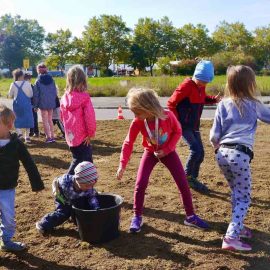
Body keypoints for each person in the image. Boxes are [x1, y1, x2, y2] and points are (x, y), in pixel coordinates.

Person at [116, 88, 209, 233]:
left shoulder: (167, 116)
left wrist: (167, 149)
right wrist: (122, 165)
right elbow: (128, 142)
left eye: (137, 112)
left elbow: (178, 131)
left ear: (148, 108)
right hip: (150, 152)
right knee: (140, 184)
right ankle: (137, 216)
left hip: (168, 153)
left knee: (183, 183)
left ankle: (190, 216)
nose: (135, 115)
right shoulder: (138, 122)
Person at [210, 65, 270, 251]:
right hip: (240, 154)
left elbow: (214, 135)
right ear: (250, 83)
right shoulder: (254, 103)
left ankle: (239, 227)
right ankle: (230, 238)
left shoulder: (222, 104)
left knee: (236, 191)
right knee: (244, 198)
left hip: (222, 154)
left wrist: (218, 147)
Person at [167, 60, 220, 193]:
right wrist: (176, 122)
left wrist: (213, 99)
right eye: (202, 81)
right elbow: (171, 104)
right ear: (196, 75)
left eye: (206, 82)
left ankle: (193, 178)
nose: (204, 84)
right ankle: (187, 177)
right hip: (184, 126)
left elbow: (201, 98)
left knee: (201, 153)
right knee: (195, 150)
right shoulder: (186, 86)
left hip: (194, 125)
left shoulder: (200, 86)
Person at [0, 105, 44, 252]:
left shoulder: (16, 144)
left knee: (9, 218)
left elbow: (29, 163)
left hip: (7, 188)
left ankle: (6, 240)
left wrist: (36, 184)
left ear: (9, 125)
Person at [36, 161, 99, 234]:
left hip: (75, 197)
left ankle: (76, 219)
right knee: (63, 213)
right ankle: (43, 224)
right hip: (62, 197)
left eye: (92, 185)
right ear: (78, 180)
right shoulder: (66, 183)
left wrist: (96, 207)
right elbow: (56, 181)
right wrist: (55, 191)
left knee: (86, 202)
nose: (89, 188)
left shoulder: (88, 187)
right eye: (87, 185)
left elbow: (91, 197)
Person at [60, 65, 96, 175]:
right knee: (85, 163)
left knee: (78, 159)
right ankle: (64, 183)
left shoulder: (64, 98)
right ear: (83, 81)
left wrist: (68, 132)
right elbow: (89, 117)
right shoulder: (84, 97)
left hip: (71, 136)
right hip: (83, 137)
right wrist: (90, 133)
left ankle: (86, 188)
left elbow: (62, 117)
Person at [33, 63, 57, 143]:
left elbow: (36, 95)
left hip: (42, 103)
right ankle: (52, 136)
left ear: (38, 70)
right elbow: (55, 92)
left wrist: (35, 106)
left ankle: (48, 137)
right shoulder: (51, 79)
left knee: (45, 121)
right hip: (51, 103)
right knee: (50, 119)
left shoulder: (37, 81)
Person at [8, 69, 34, 143]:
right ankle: (27, 137)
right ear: (21, 75)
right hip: (27, 104)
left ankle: (19, 133)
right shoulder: (27, 83)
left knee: (17, 119)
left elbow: (10, 95)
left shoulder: (13, 84)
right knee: (27, 119)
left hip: (17, 105)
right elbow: (31, 95)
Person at [24, 73, 39, 137]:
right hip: (31, 105)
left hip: (29, 105)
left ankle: (33, 131)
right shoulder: (31, 85)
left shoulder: (25, 86)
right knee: (34, 118)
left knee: (30, 118)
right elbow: (35, 96)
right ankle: (35, 131)